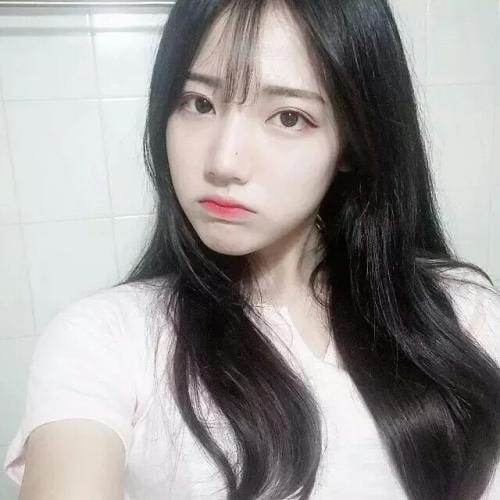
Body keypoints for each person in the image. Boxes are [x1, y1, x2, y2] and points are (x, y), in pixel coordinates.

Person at [4, 0, 500, 498]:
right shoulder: (110, 337)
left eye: (288, 117)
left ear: (353, 142)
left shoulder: (462, 315)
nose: (224, 162)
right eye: (199, 103)